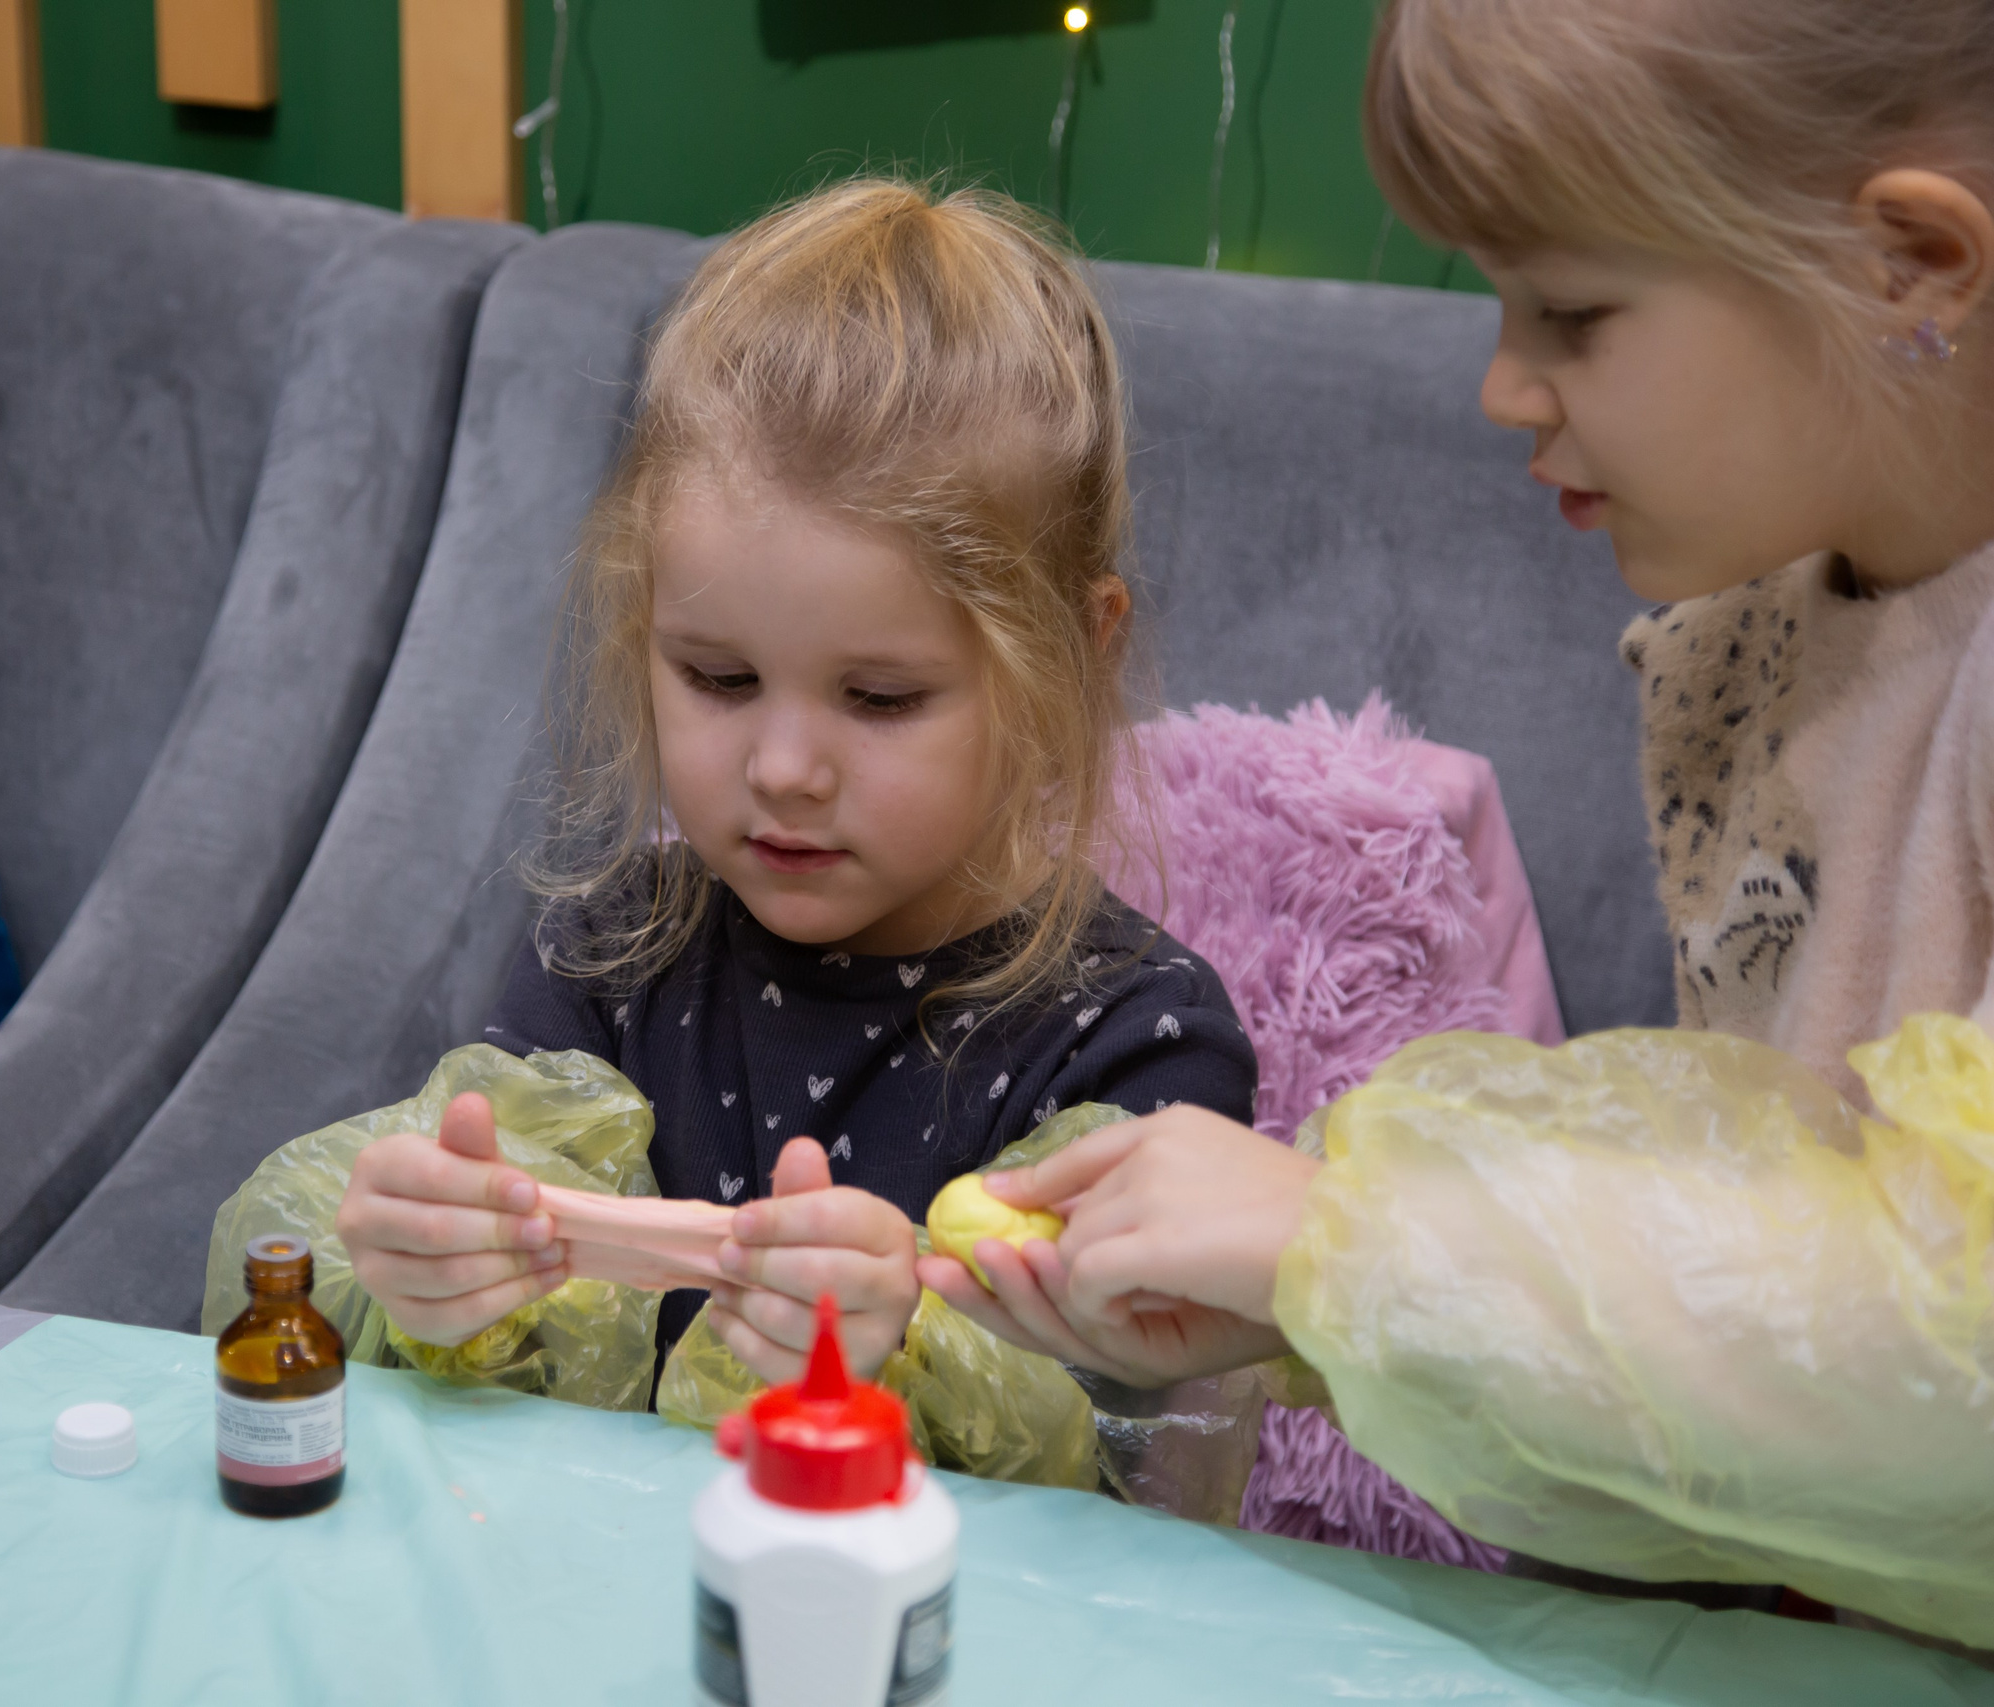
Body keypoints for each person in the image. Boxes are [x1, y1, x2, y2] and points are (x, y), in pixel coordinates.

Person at [923, 0, 1994, 1648]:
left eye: (1571, 311)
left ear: (1907, 264)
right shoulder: (1769, 639)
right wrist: (1310, 1307)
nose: (1503, 385)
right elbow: (1774, 1328)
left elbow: (1949, 1344)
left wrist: (1353, 1242)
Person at [335, 177, 1257, 1388]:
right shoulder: (610, 958)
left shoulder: (1132, 1045)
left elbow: (1126, 1448)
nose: (781, 771)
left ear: (1074, 662)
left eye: (878, 699)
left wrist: (910, 1362)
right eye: (718, 678)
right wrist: (440, 1288)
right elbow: (507, 1397)